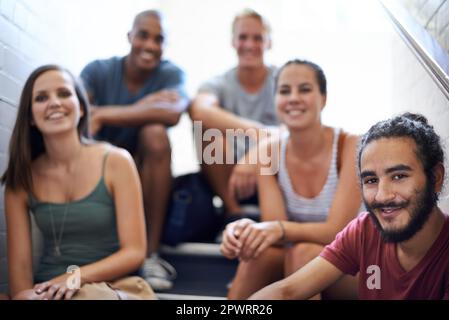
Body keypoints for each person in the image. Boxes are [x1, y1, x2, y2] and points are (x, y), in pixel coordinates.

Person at [249, 113, 449, 300]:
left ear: (435, 178)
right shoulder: (365, 230)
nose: (382, 195)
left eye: (399, 176)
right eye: (371, 180)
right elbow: (287, 291)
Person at [1, 65, 154, 300]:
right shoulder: (21, 179)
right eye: (42, 97)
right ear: (30, 117)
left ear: (81, 108)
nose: (54, 102)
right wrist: (26, 295)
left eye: (64, 93)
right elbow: (20, 273)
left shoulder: (116, 161)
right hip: (50, 290)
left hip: (115, 288)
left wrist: (74, 277)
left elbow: (134, 252)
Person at [220, 59, 362, 299]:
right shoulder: (268, 152)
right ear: (275, 101)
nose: (293, 98)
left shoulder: (351, 145)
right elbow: (275, 230)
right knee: (259, 254)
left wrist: (277, 229)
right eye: (285, 91)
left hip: (357, 267)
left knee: (304, 253)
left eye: (304, 89)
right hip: (296, 263)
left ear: (323, 98)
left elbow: (338, 231)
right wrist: (245, 230)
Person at [80, 10, 189, 291]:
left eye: (159, 39)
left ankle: (150, 255)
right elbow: (82, 117)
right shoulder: (98, 70)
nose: (151, 45)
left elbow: (174, 112)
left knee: (155, 134)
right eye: (144, 35)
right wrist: (146, 105)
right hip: (100, 169)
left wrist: (103, 113)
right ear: (130, 36)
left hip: (144, 171)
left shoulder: (171, 73)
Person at [190, 8, 279, 217]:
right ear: (233, 41)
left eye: (257, 38)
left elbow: (299, 128)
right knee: (205, 131)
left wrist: (255, 156)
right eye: (243, 37)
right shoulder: (217, 83)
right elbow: (199, 110)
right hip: (229, 173)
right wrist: (258, 132)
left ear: (269, 42)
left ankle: (275, 215)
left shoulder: (283, 80)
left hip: (275, 168)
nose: (249, 44)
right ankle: (234, 213)